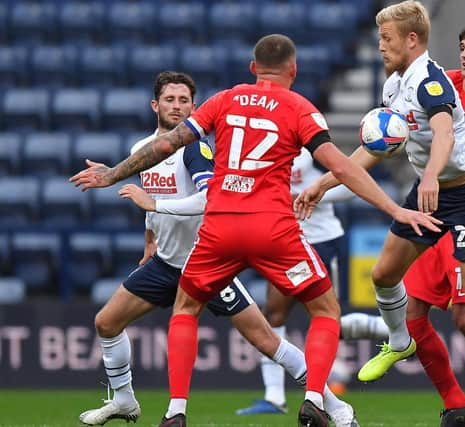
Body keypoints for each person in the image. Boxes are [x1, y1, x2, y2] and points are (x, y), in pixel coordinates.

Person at [71, 34, 440, 427]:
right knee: (326, 310)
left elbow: (166, 146)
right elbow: (344, 168)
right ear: (293, 71)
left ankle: (175, 410)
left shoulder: (224, 99)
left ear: (252, 69)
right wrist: (394, 208)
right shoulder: (301, 108)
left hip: (220, 230)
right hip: (273, 230)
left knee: (185, 309)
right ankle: (315, 398)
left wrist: (112, 174)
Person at [77, 71, 359, 427]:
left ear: (195, 107)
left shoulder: (195, 148)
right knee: (107, 322)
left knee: (265, 340)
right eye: (170, 100)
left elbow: (207, 197)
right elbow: (158, 195)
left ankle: (332, 406)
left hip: (208, 258)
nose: (177, 107)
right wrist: (151, 238)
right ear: (155, 105)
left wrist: (154, 207)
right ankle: (123, 400)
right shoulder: (140, 152)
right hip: (166, 262)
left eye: (184, 101)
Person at [295, 4, 465, 426]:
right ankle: (400, 341)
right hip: (427, 192)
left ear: (411, 40)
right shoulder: (395, 84)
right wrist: (325, 183)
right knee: (383, 274)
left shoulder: (430, 82)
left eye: (387, 40)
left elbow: (445, 132)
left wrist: (431, 175)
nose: (381, 47)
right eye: (379, 39)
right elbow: (378, 147)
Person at [339, 23, 465, 427]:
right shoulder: (441, 81)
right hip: (431, 202)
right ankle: (456, 405)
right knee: (413, 312)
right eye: (462, 46)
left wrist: (440, 122)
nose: (464, 54)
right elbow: (417, 102)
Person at [237, 149, 353, 415]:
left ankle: (393, 336)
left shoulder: (312, 148)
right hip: (286, 242)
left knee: (328, 314)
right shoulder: (259, 149)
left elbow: (350, 183)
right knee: (275, 314)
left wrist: (305, 196)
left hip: (322, 240)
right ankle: (275, 397)